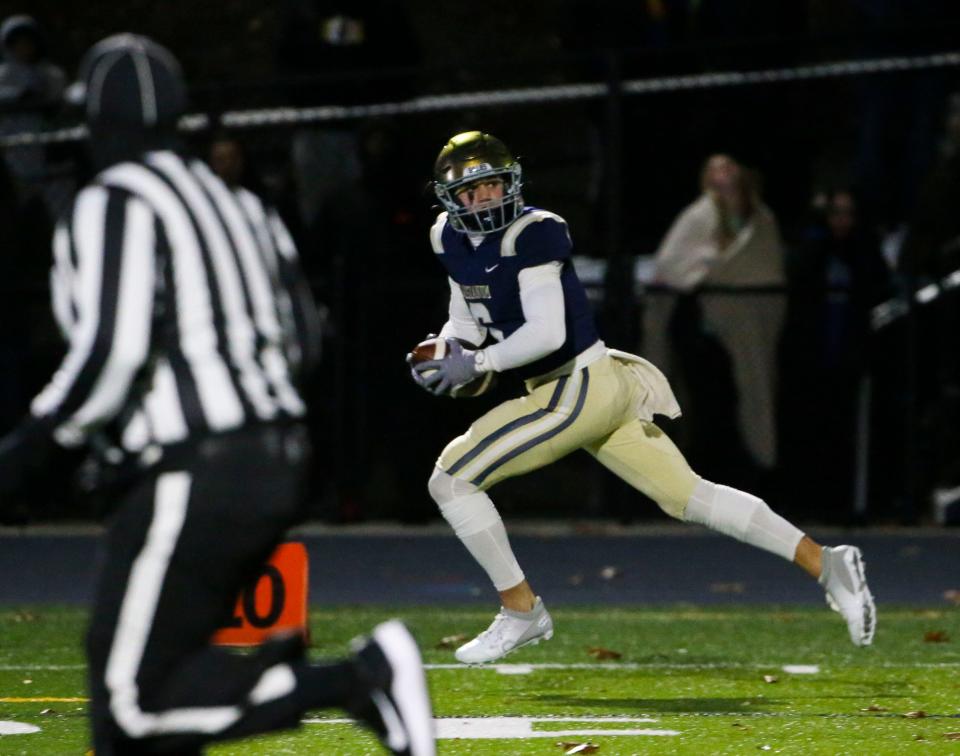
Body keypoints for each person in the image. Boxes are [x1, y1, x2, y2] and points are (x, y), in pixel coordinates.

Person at [0, 34, 433, 755]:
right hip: (278, 456)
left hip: (198, 467)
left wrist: (32, 447)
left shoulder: (113, 202)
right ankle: (299, 678)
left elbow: (114, 349)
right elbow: (304, 338)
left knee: (130, 714)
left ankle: (356, 680)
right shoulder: (241, 202)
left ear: (99, 122)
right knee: (164, 685)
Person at [409, 131, 876, 665]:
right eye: (475, 190)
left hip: (577, 384)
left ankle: (522, 611)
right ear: (452, 198)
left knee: (450, 478)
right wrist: (448, 347)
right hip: (584, 387)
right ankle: (826, 563)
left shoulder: (533, 233)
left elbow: (546, 333)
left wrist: (479, 363)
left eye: (495, 185)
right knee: (690, 497)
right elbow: (467, 316)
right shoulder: (446, 236)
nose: (488, 198)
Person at [645, 154, 786, 485]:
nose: (723, 175)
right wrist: (706, 268)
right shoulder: (699, 216)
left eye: (728, 167)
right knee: (707, 403)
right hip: (702, 332)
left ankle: (759, 469)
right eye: (715, 169)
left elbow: (764, 264)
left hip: (749, 318)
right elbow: (671, 264)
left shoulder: (760, 218)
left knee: (755, 389)